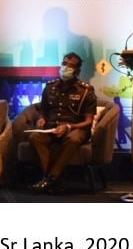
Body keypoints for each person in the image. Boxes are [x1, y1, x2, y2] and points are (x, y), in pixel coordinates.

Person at [29, 52, 97, 194]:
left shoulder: (86, 90)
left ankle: (50, 179)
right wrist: (42, 118)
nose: (65, 68)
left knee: (73, 139)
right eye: (64, 64)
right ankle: (52, 181)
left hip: (76, 129)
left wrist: (68, 126)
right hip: (52, 128)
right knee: (35, 137)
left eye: (70, 66)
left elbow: (88, 122)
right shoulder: (50, 87)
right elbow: (43, 110)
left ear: (77, 70)